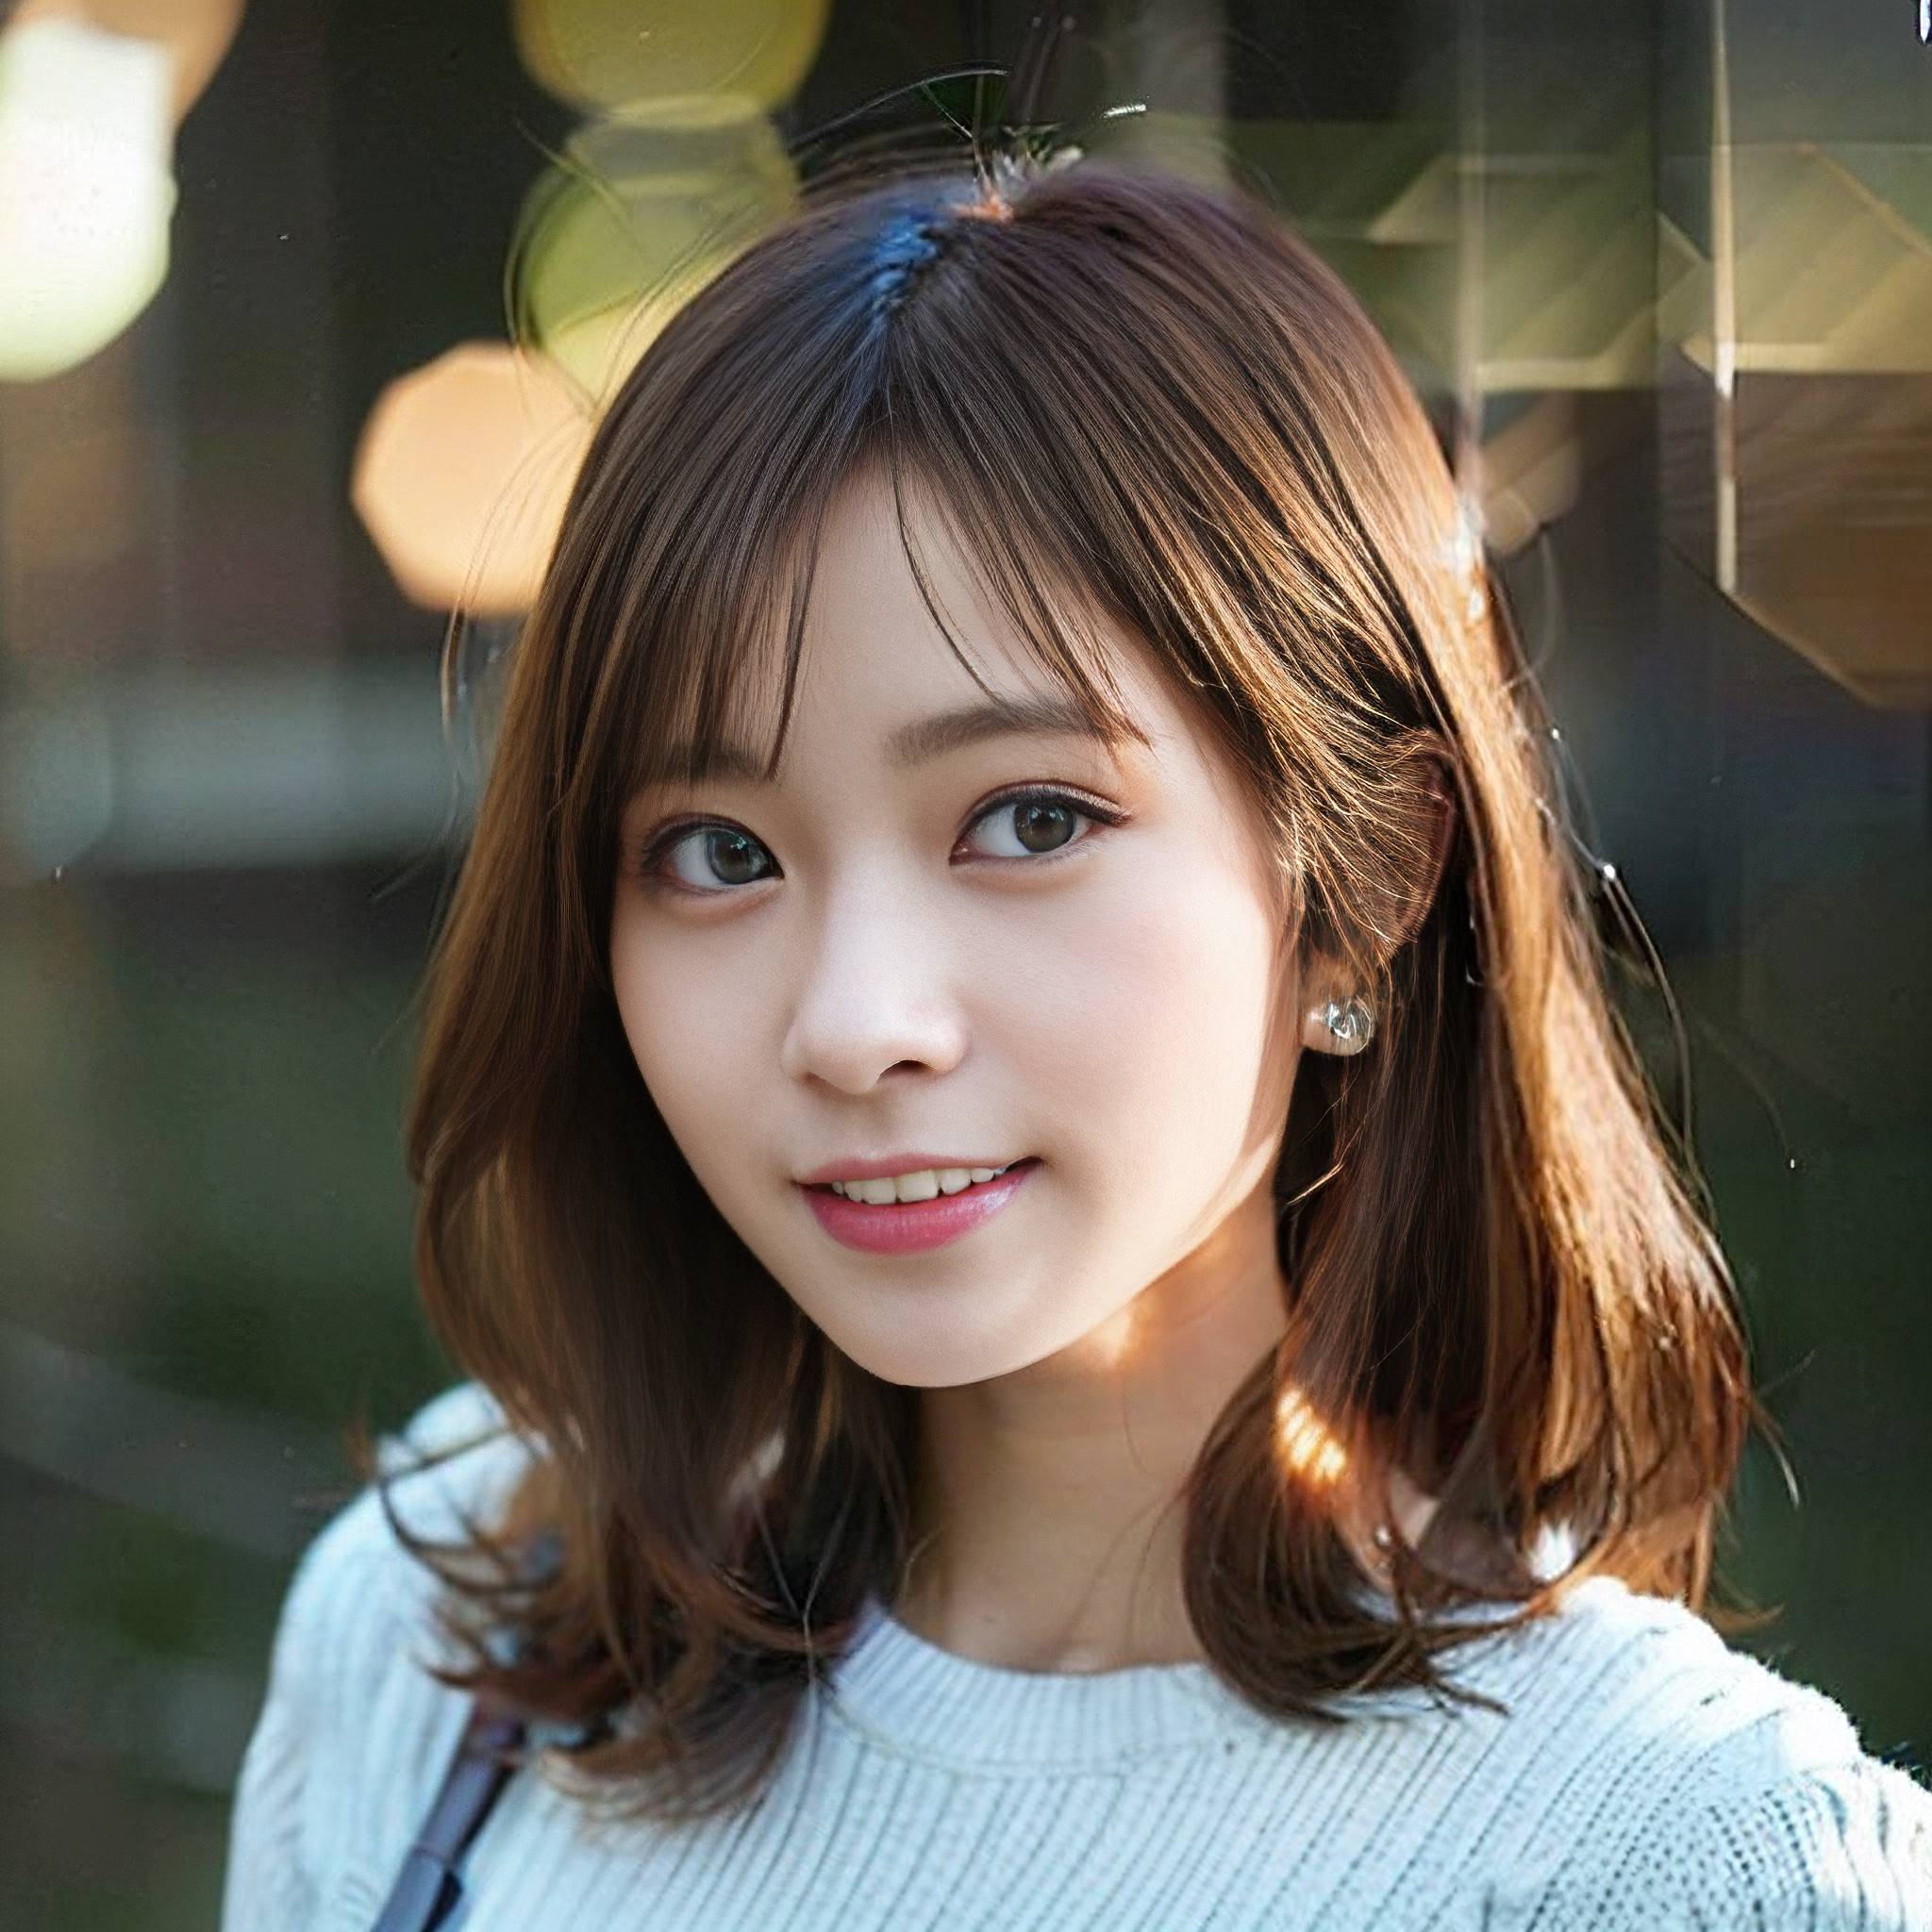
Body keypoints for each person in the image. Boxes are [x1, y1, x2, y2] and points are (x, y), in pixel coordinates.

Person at [220, 146, 1932, 1929]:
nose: (856, 1025)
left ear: (1367, 879)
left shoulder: (1681, 1860)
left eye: (1028, 820)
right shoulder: (451, 1641)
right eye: (719, 854)